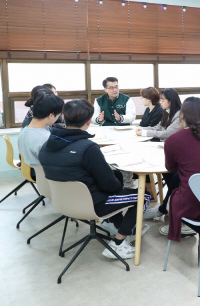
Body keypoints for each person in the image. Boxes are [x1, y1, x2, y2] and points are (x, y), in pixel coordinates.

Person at [39, 99, 150, 260]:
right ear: (89, 121)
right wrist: (118, 185)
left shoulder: (47, 145)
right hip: (93, 204)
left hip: (63, 201)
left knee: (116, 176)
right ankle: (119, 243)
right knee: (143, 197)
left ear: (63, 118)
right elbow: (110, 186)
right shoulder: (88, 148)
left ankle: (115, 224)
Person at [157, 97, 200, 241]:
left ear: (182, 116)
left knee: (176, 194)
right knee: (182, 182)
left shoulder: (172, 140)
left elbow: (170, 168)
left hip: (193, 200)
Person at [18, 93, 64, 175]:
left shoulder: (24, 131)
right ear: (51, 115)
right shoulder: (46, 138)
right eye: (58, 115)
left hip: (31, 172)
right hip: (45, 176)